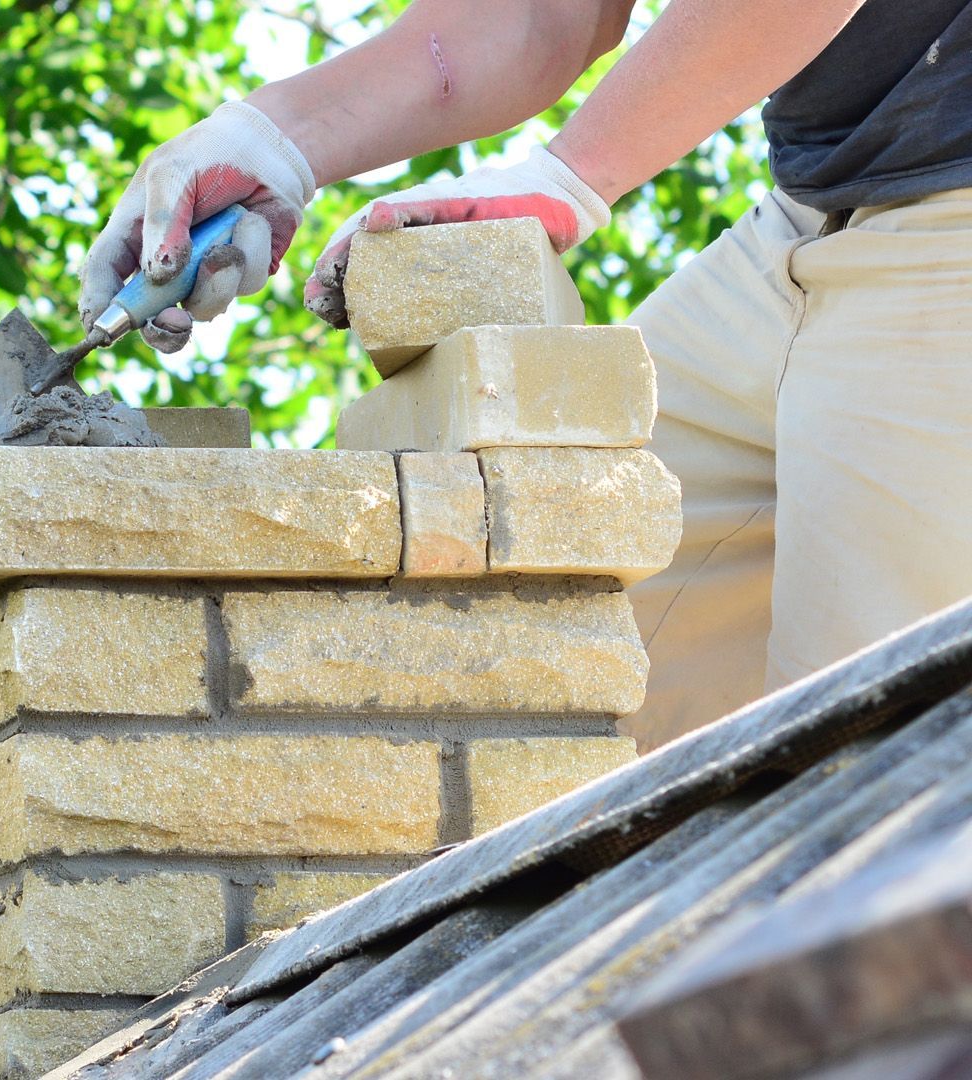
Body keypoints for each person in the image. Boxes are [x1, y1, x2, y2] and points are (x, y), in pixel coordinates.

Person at [80, 0, 972, 749]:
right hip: (813, 217)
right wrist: (273, 140)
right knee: (536, 682)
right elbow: (544, 13)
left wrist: (572, 174)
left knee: (868, 780)